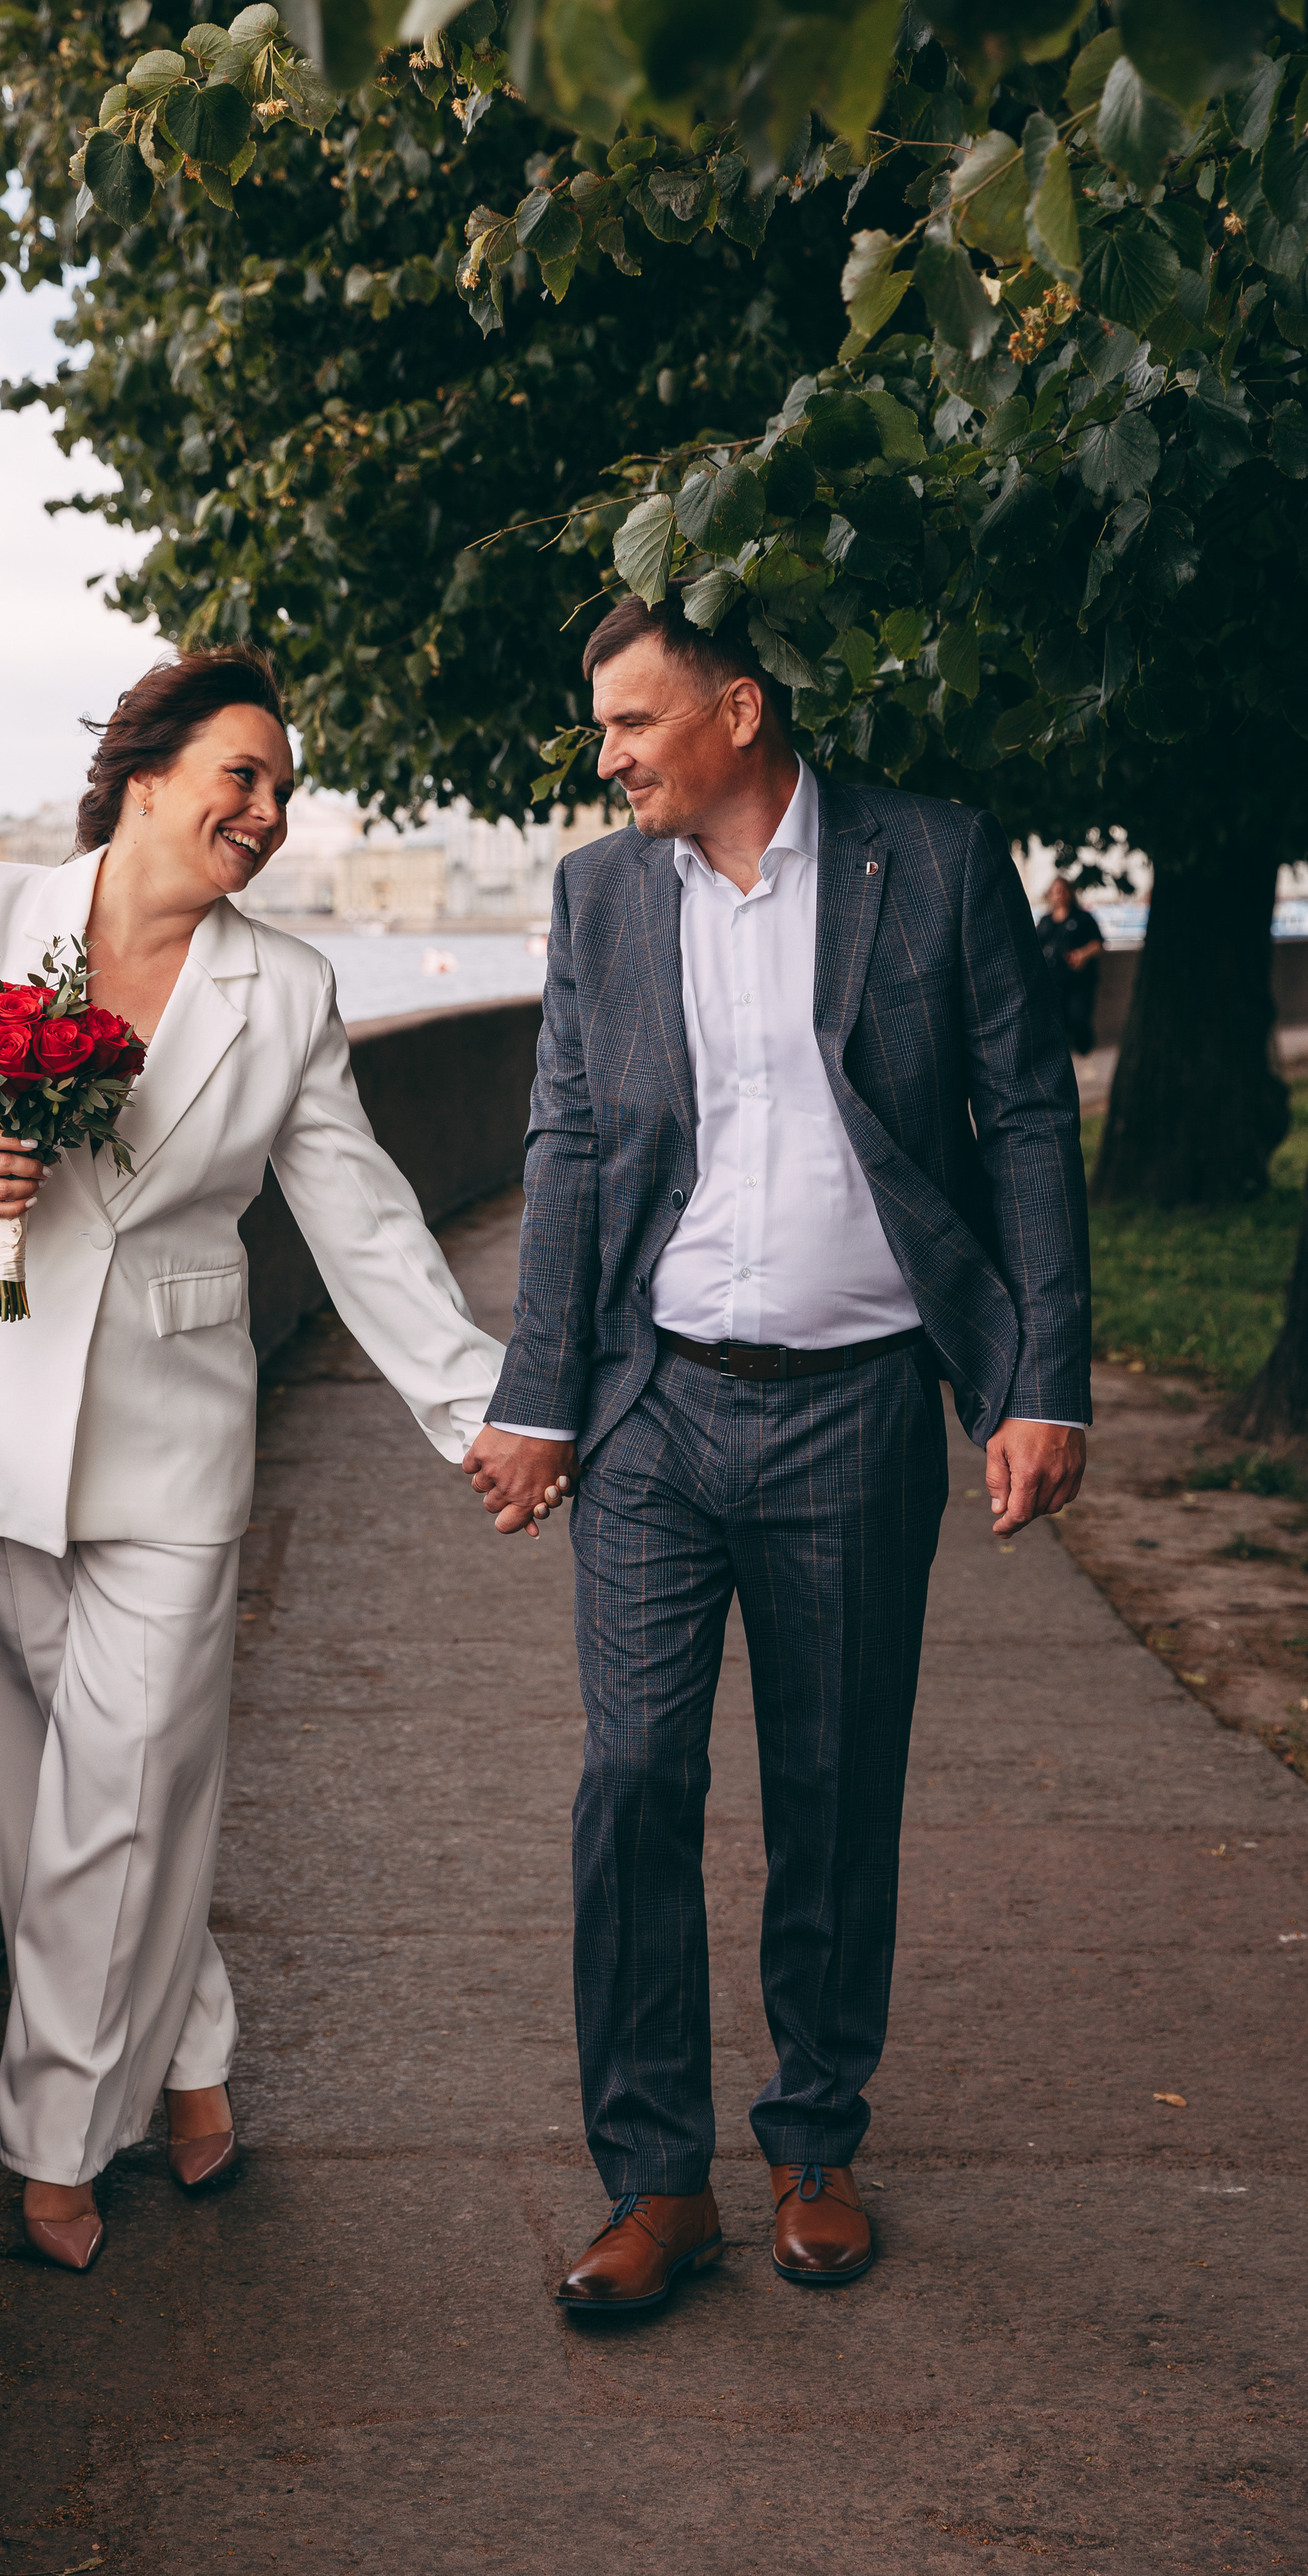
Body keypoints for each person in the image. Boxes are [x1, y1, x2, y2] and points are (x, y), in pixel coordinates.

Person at [0, 647, 506, 2272]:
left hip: (171, 1450)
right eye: (240, 776)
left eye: (282, 791)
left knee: (117, 1804)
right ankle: (192, 2052)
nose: (263, 813)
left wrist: (481, 1416)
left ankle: (54, 2144)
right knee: (49, 1811)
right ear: (145, 773)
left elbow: (365, 1224)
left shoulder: (289, 994)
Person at [462, 589, 1091, 2314]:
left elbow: (1023, 1115)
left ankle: (813, 2137)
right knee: (632, 1781)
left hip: (858, 1403)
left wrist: (1042, 1378)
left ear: (736, 711)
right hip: (656, 1403)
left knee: (830, 1787)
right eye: (601, 730)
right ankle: (652, 2177)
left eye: (631, 725)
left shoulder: (934, 859)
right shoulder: (599, 896)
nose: (606, 760)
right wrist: (537, 1397)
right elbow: (569, 1146)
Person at [1036, 873, 1105, 1056]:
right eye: (1055, 891)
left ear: (1070, 893)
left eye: (1063, 890)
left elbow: (1098, 944)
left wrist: (1082, 954)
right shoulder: (1044, 922)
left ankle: (1085, 1049)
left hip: (1078, 984)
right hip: (1053, 984)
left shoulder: (1083, 918)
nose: (1059, 894)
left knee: (1079, 1019)